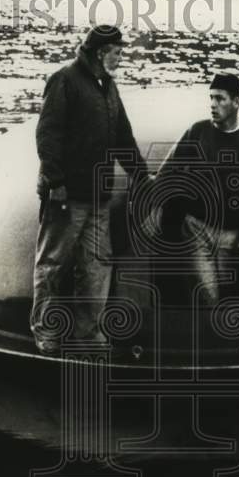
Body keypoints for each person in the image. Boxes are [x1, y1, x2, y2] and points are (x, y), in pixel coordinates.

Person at [30, 25, 147, 354]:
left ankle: (89, 337)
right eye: (117, 53)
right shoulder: (64, 80)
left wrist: (141, 176)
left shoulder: (108, 87)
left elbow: (122, 137)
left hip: (98, 198)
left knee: (96, 268)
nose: (121, 58)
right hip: (66, 198)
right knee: (53, 265)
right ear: (100, 53)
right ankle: (47, 334)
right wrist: (55, 182)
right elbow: (47, 135)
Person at [155, 72, 239, 308]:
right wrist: (153, 207)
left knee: (231, 297)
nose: (213, 104)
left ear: (237, 102)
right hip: (197, 229)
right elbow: (168, 171)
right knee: (207, 294)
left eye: (220, 99)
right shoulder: (197, 132)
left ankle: (232, 342)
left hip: (231, 236)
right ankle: (211, 339)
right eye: (211, 98)